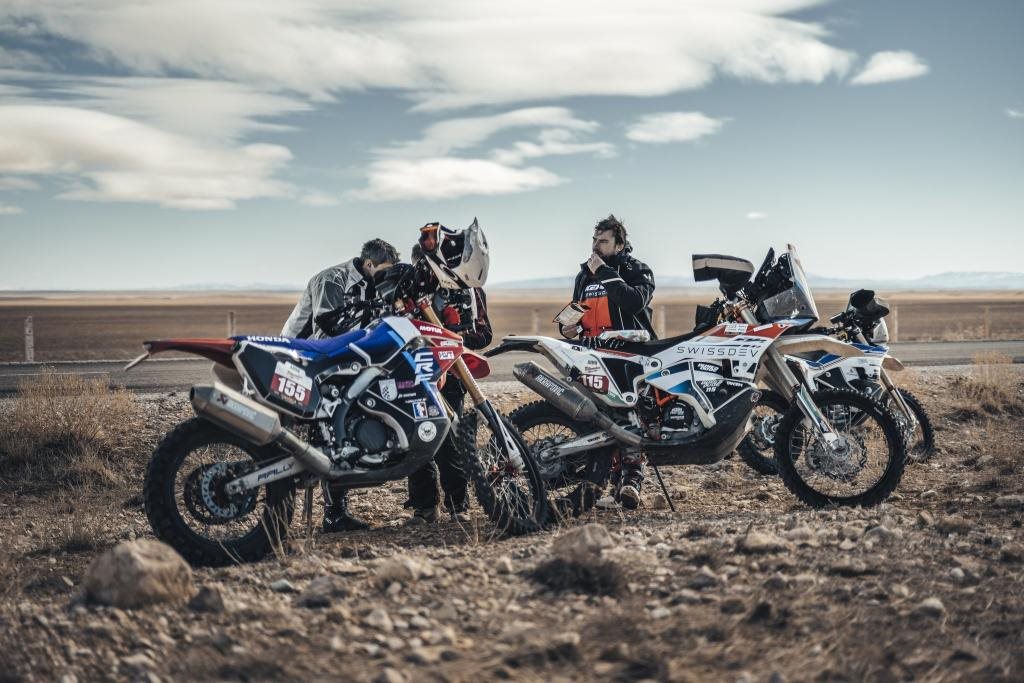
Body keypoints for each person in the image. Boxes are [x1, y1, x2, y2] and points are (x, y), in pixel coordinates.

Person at [282, 238, 400, 532]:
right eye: (384, 269)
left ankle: (335, 512)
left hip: (337, 362)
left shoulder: (373, 283)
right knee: (325, 432)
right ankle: (322, 514)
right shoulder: (332, 279)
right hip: (303, 360)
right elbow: (328, 328)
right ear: (369, 264)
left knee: (340, 429)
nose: (387, 276)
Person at [560, 214, 655, 510]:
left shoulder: (636, 269)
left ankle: (631, 481)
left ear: (619, 245)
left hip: (626, 356)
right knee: (596, 420)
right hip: (590, 356)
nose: (595, 246)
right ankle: (606, 481)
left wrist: (603, 271)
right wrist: (567, 328)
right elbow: (575, 313)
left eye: (603, 241)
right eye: (594, 240)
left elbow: (633, 301)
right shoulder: (584, 276)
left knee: (626, 415)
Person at [404, 223, 493, 523]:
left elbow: (485, 334)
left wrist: (456, 334)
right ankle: (424, 507)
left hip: (454, 373)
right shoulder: (411, 293)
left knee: (450, 440)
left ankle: (459, 506)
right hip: (418, 373)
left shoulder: (470, 289)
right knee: (418, 437)